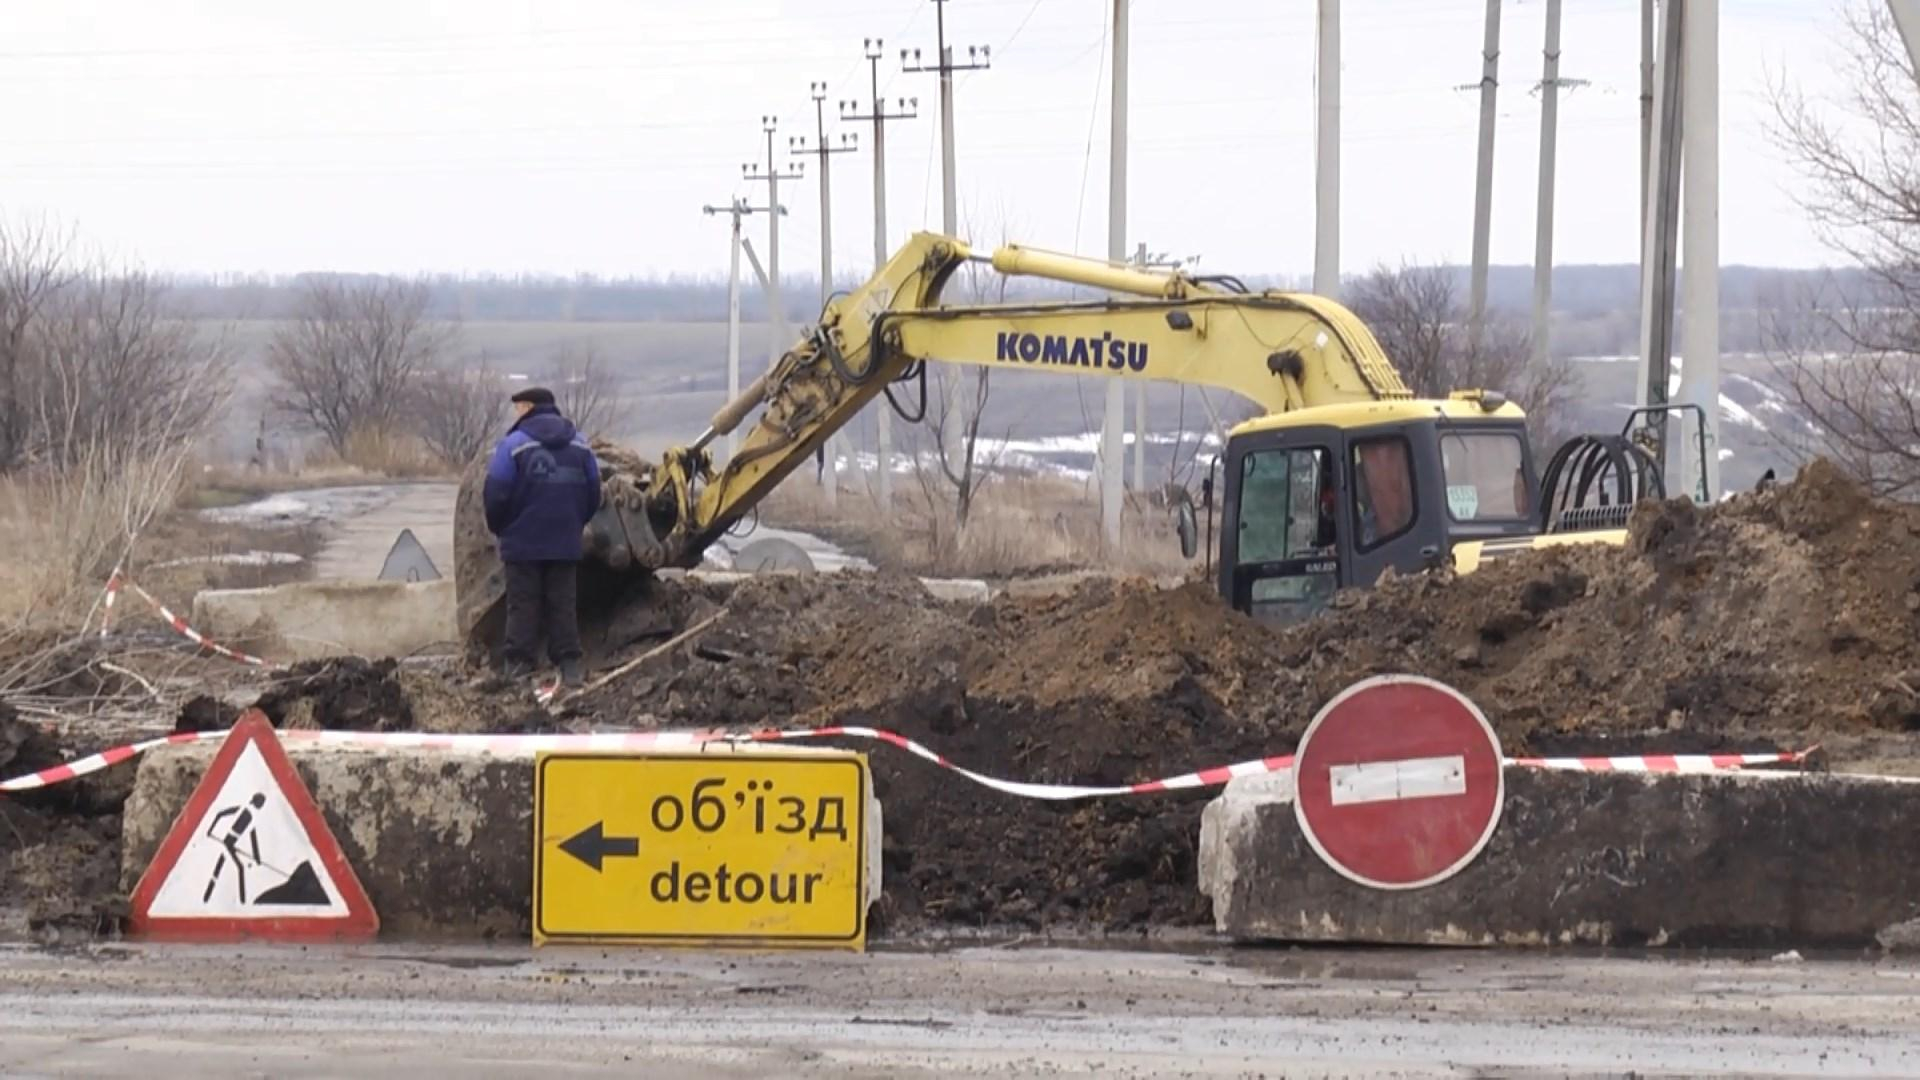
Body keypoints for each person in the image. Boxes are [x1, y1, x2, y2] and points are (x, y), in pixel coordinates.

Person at [483, 387, 602, 686]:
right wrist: (575, 523)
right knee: (562, 602)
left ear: (526, 407)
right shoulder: (580, 444)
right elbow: (593, 492)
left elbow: (496, 493)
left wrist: (502, 527)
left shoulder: (513, 445)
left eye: (518, 407)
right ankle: (570, 667)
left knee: (523, 602)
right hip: (564, 540)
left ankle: (519, 667)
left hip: (522, 541)